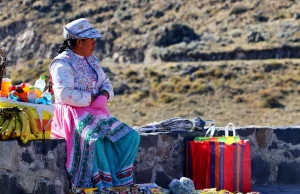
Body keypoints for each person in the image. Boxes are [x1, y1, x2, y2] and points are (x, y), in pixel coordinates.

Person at [49, 18, 140, 191]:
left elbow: (106, 83)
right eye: (91, 40)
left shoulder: (92, 60)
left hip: (97, 112)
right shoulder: (61, 63)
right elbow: (63, 94)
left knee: (130, 136)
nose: (94, 43)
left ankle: (120, 182)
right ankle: (100, 185)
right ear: (79, 42)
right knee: (94, 139)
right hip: (73, 114)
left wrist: (104, 95)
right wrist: (92, 98)